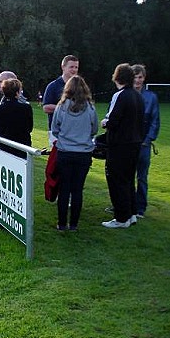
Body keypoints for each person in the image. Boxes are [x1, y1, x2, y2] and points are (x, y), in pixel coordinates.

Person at [51, 76, 98, 231]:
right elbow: (94, 130)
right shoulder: (90, 108)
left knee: (64, 189)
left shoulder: (61, 106)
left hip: (65, 152)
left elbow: (55, 129)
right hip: (83, 153)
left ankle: (62, 223)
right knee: (77, 190)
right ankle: (74, 224)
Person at [101, 63, 145, 229]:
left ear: (117, 77)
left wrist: (104, 122)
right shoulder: (138, 96)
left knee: (116, 180)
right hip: (135, 144)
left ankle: (121, 217)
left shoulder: (120, 95)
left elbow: (113, 120)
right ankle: (131, 213)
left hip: (120, 145)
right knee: (128, 180)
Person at [132, 64, 160, 217]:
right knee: (126, 177)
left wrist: (147, 140)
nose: (137, 80)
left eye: (140, 77)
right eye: (135, 77)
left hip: (143, 144)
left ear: (144, 78)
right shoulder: (124, 94)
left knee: (141, 177)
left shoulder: (151, 97)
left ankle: (140, 208)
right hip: (128, 144)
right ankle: (126, 205)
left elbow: (155, 121)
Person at [0, 78, 33, 159]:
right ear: (17, 93)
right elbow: (29, 127)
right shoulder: (26, 108)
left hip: (3, 145)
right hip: (21, 146)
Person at [43, 55, 80, 145]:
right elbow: (46, 108)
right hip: (58, 131)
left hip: (76, 131)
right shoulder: (53, 86)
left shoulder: (80, 87)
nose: (74, 70)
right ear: (63, 67)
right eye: (71, 67)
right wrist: (67, 107)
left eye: (76, 67)